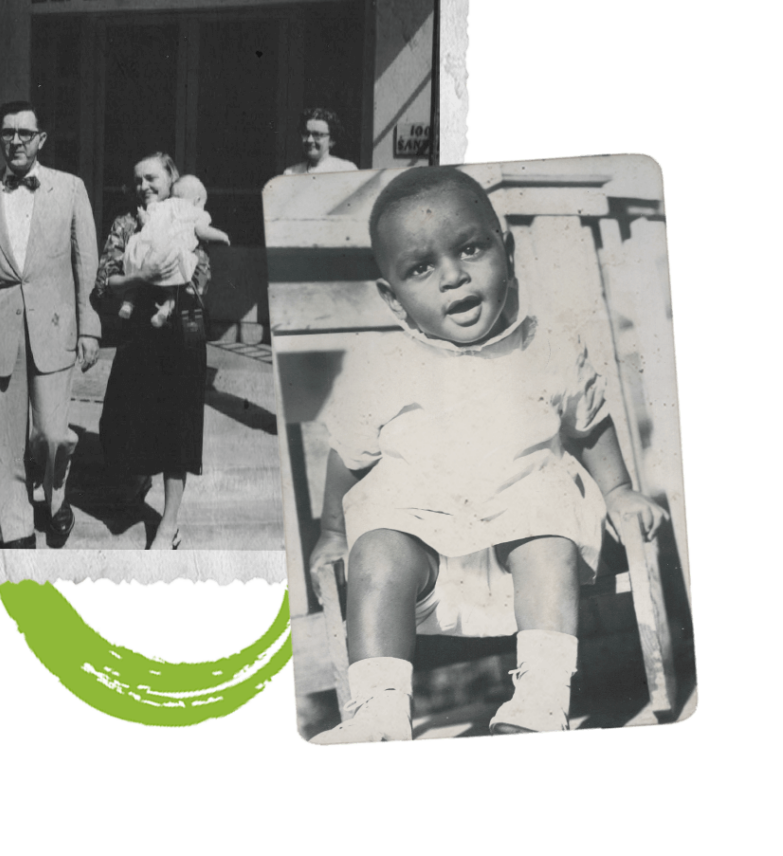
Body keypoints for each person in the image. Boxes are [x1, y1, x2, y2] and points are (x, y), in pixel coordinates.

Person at [307, 167, 668, 743]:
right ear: (393, 299)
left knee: (549, 539)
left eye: (471, 247)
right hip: (425, 558)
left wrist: (619, 491)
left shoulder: (544, 347)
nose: (453, 276)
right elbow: (348, 456)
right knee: (376, 550)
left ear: (509, 250)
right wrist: (331, 531)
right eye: (421, 268)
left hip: (518, 558)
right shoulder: (383, 366)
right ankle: (378, 710)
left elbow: (589, 423)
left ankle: (541, 698)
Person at [0, 101, 101, 549]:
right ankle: (13, 526)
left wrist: (89, 324)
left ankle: (55, 497)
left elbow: (86, 263)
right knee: (1, 440)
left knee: (53, 433)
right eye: (7, 132)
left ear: (41, 139)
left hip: (55, 325)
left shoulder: (71, 188)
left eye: (24, 132)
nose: (15, 140)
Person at [92, 153, 211, 551]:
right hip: (137, 334)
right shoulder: (125, 224)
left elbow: (201, 274)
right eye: (138, 179)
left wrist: (174, 282)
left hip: (180, 336)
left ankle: (169, 523)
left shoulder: (188, 216)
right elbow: (104, 282)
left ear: (171, 179)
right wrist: (141, 276)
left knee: (176, 431)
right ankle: (137, 478)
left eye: (152, 178)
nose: (144, 186)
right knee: (115, 423)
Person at [119, 174, 230, 328]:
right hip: (172, 254)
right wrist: (222, 236)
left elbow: (148, 222)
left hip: (147, 249)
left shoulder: (163, 206)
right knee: (174, 289)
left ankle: (128, 303)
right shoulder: (196, 212)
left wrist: (143, 217)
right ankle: (166, 310)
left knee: (136, 277)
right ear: (197, 200)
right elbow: (202, 231)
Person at [283, 108, 358, 175]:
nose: (309, 140)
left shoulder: (346, 170)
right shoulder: (291, 173)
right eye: (306, 134)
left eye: (317, 135)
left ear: (332, 140)